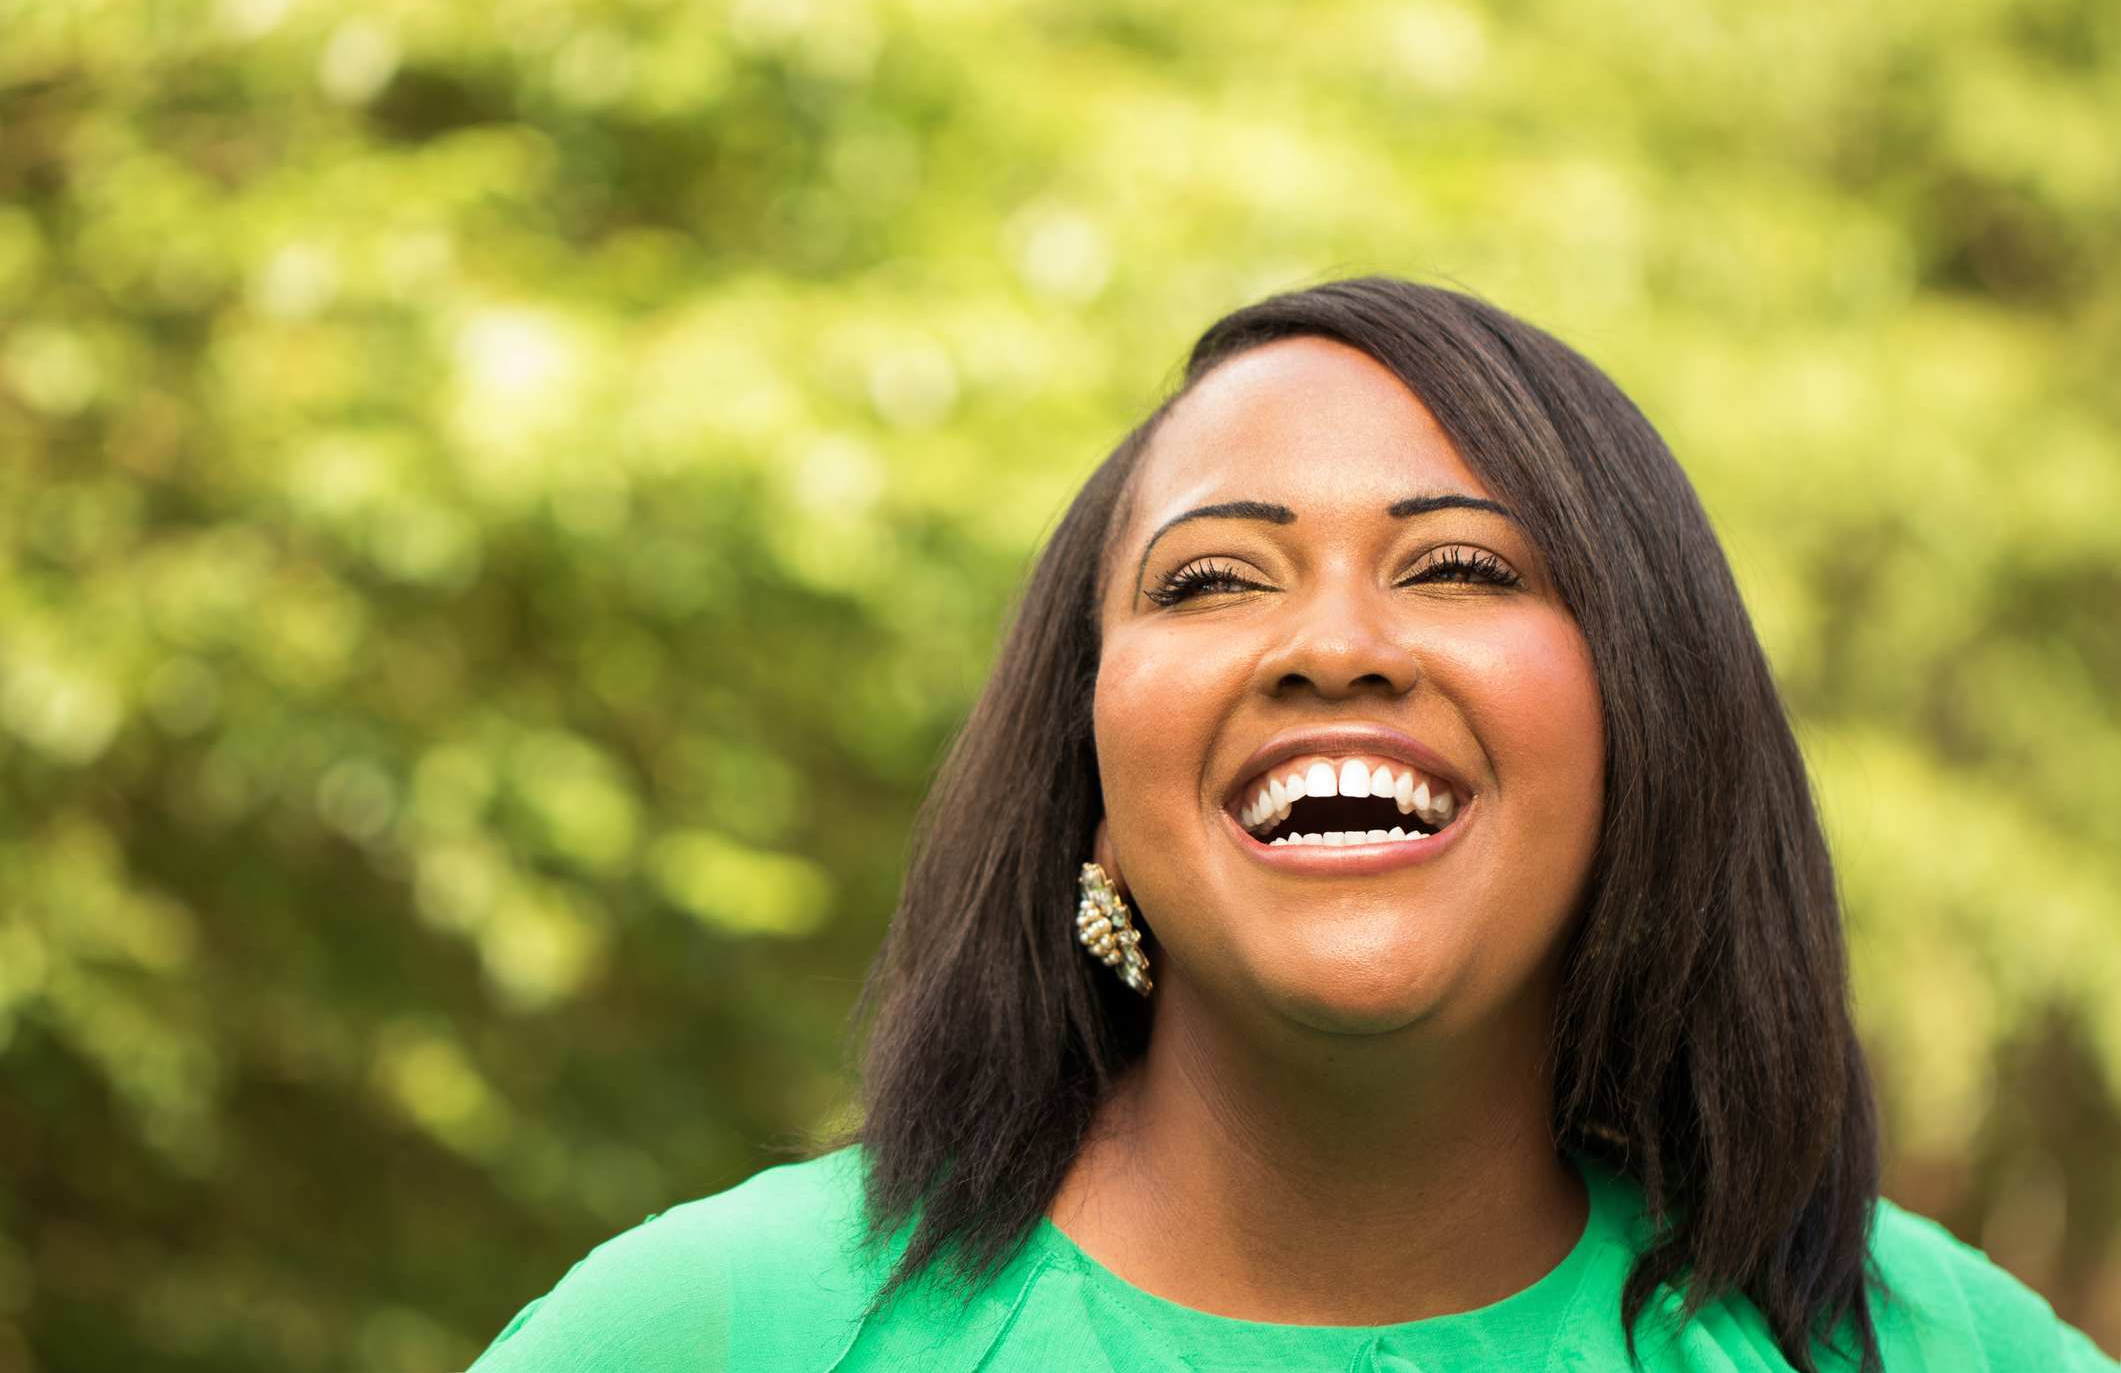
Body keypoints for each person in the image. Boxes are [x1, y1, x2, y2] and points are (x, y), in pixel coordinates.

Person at [468, 279, 2115, 1371]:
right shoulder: (721, 1331)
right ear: (1090, 789)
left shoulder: (1933, 1347)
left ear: (1647, 729)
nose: (1332, 645)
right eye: (1207, 579)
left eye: (1462, 567)